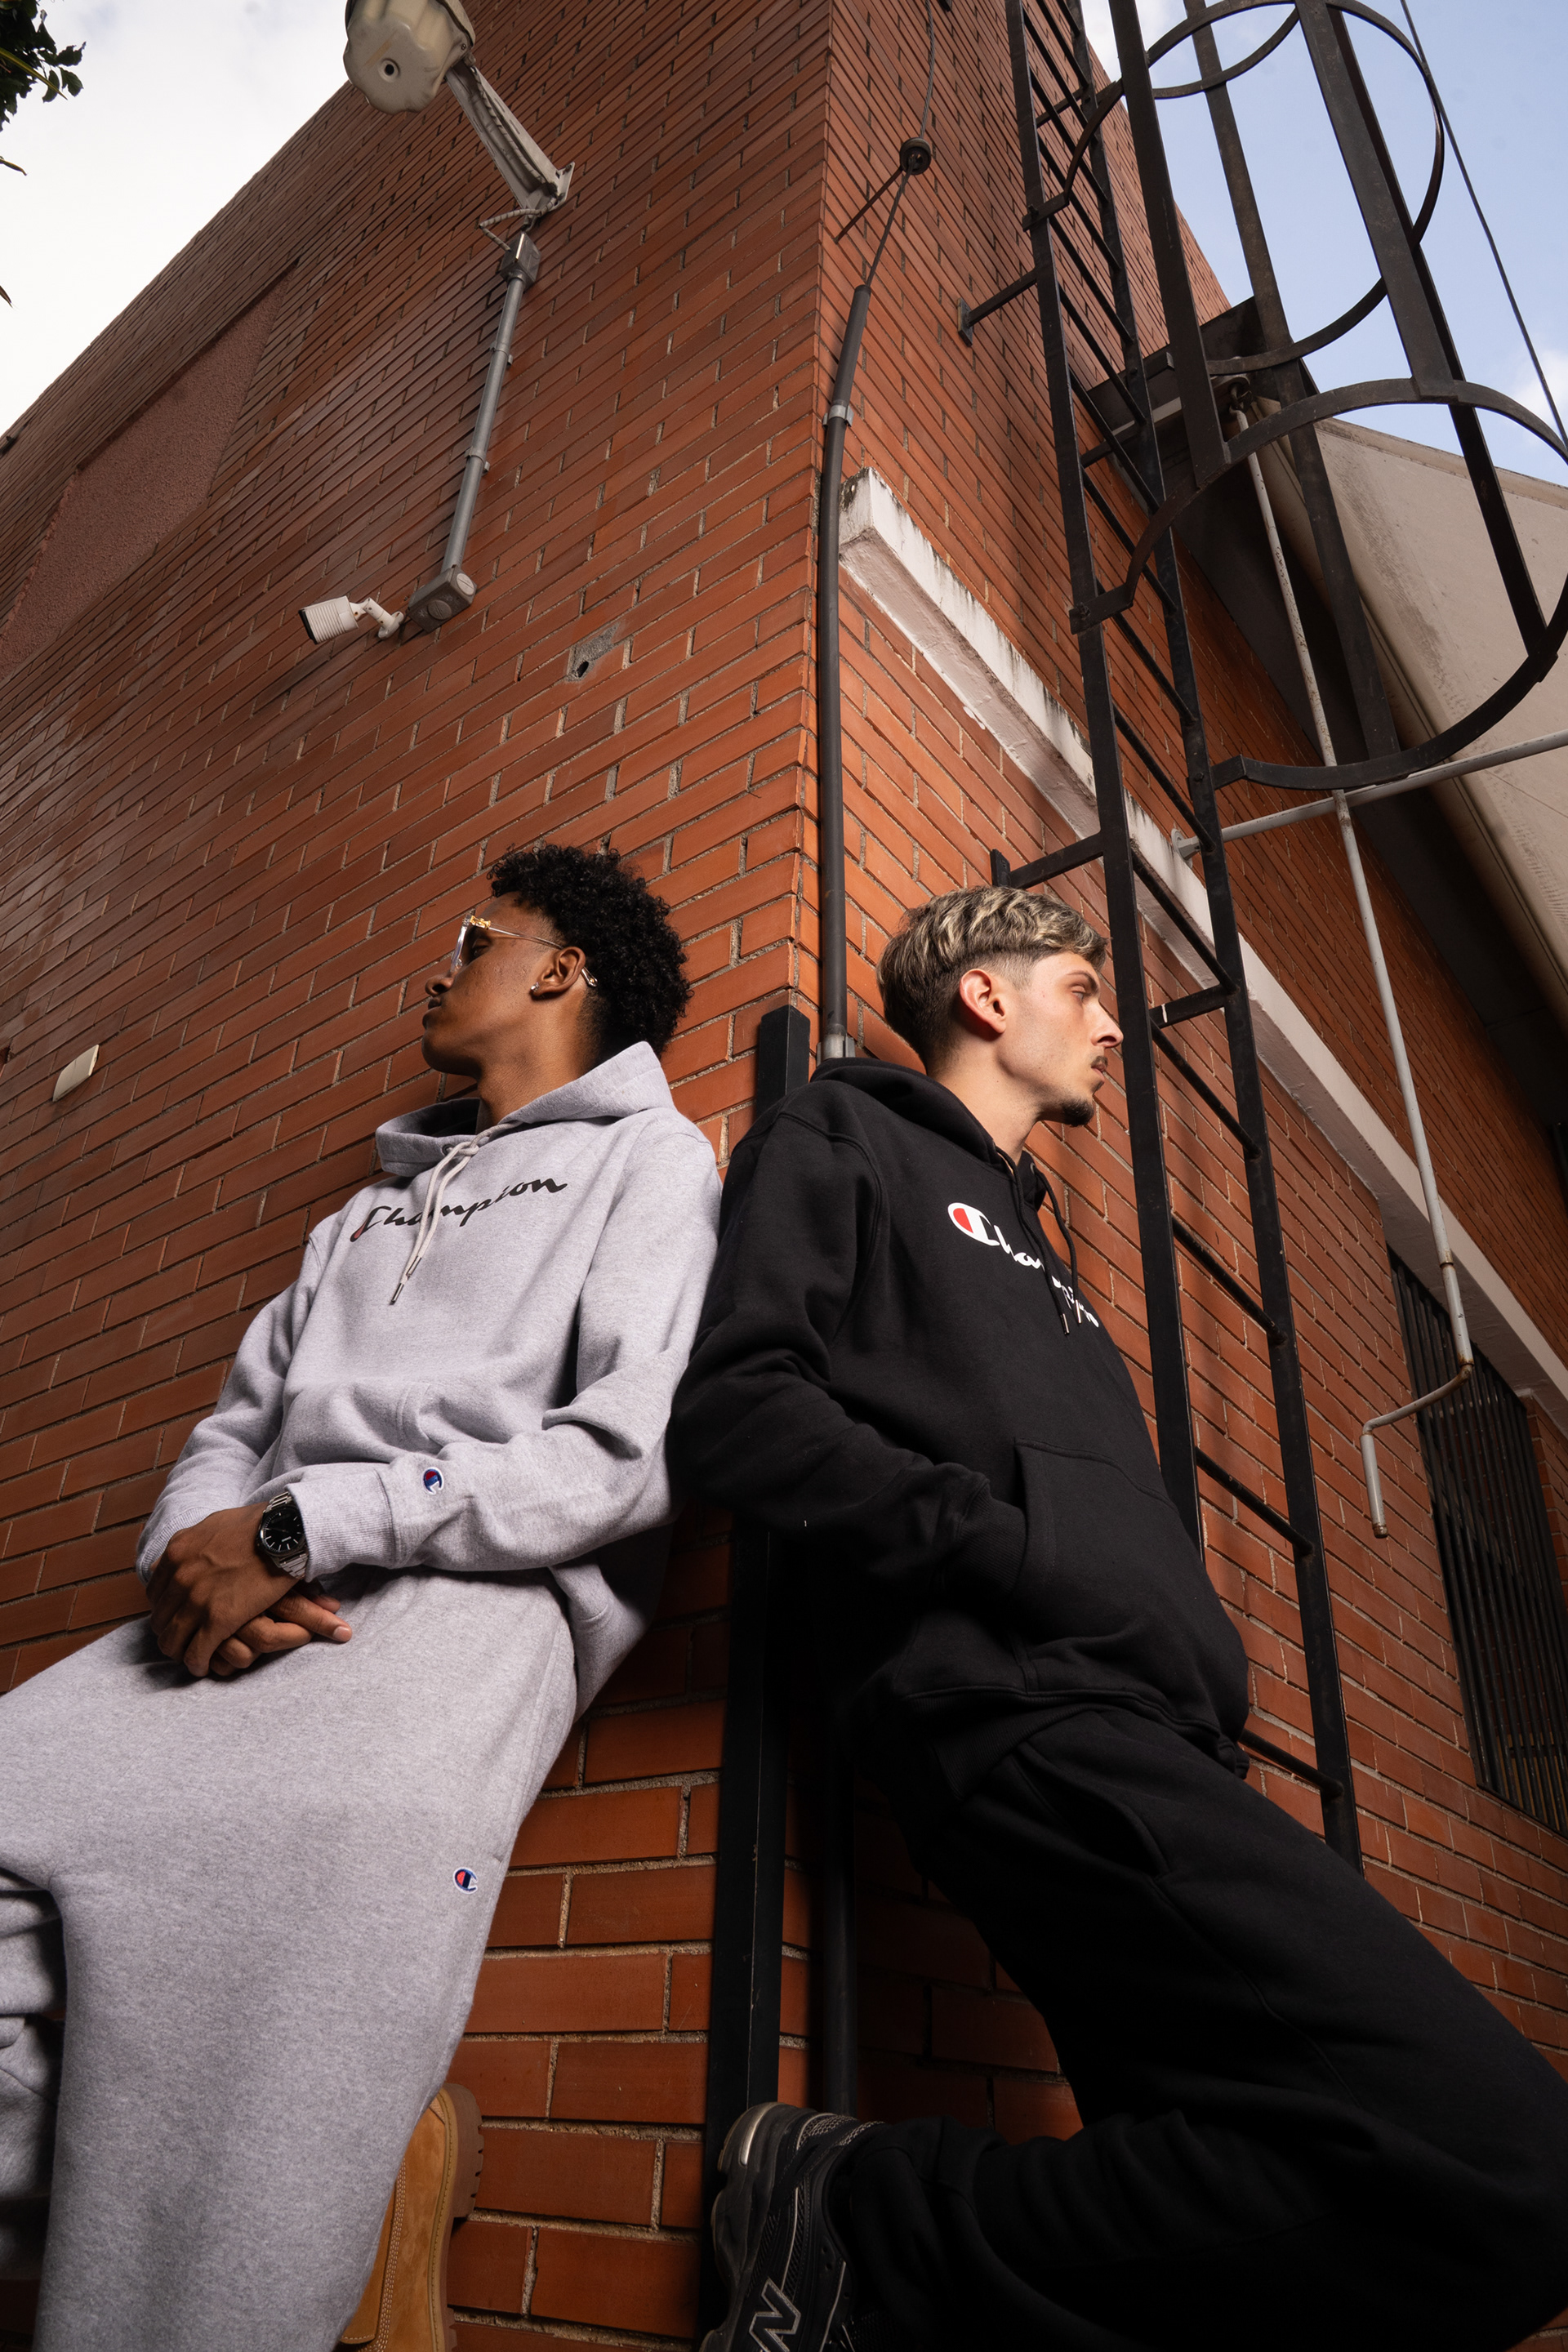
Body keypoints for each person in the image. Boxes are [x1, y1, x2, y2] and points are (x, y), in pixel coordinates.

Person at [670, 883, 1568, 2352]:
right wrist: (1016, 1550)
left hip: (1133, 1726)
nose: (1110, 1027)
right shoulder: (845, 1138)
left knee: (1251, 2207)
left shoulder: (1046, 1257)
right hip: (1019, 1707)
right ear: (986, 995)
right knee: (1509, 2170)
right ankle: (857, 2208)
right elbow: (739, 1410)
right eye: (1084, 988)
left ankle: (878, 2285)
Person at [0, 843, 719, 2352]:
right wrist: (197, 1560)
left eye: (474, 940)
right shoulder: (357, 1220)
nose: (436, 971)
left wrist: (307, 1523)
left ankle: (286, 2216)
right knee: (176, 2116)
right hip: (231, 1619)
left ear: (559, 971)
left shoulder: (653, 1162)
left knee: (247, 2134)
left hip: (448, 1631)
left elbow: (622, 1456)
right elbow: (229, 1430)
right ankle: (309, 2195)